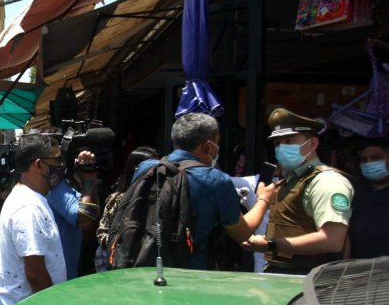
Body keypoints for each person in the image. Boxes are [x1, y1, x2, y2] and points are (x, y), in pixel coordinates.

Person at [133, 113, 275, 270]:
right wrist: (263, 200)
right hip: (189, 273)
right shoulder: (215, 180)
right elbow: (242, 233)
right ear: (208, 146)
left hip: (141, 264)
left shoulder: (146, 168)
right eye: (217, 143)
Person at [243, 108, 353, 274]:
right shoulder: (287, 182)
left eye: (289, 141)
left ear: (313, 144)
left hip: (311, 282)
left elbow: (332, 240)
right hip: (283, 277)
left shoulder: (327, 181)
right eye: (277, 143)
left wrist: (270, 245)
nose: (281, 148)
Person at [0, 133, 68, 305]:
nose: (61, 167)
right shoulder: (28, 208)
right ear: (39, 165)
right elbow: (35, 274)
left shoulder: (33, 199)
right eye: (57, 161)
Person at [95, 146, 159, 272]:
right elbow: (102, 231)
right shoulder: (118, 199)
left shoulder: (157, 198)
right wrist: (121, 243)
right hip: (115, 258)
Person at [46, 149, 101, 280]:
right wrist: (88, 181)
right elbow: (84, 220)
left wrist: (90, 178)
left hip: (68, 272)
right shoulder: (55, 186)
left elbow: (94, 213)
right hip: (57, 279)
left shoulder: (69, 184)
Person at [347, 138, 389, 258]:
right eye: (364, 160)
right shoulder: (352, 190)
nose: (369, 163)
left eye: (376, 158)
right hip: (358, 267)